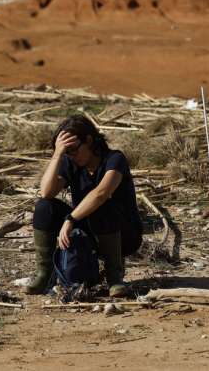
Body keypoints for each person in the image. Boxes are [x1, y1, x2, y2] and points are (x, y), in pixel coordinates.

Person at [26, 115, 143, 298]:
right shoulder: (71, 162)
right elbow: (46, 192)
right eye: (67, 152)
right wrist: (58, 154)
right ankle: (44, 274)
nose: (71, 156)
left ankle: (115, 277)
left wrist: (70, 219)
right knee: (44, 207)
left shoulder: (114, 159)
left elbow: (101, 193)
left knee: (101, 206)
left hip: (123, 234)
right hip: (89, 229)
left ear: (88, 140)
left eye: (73, 150)